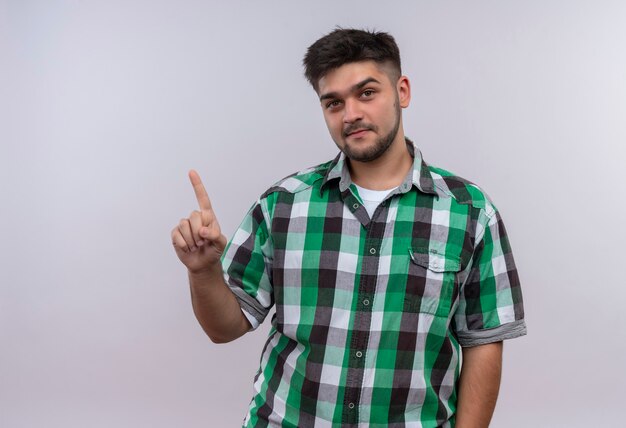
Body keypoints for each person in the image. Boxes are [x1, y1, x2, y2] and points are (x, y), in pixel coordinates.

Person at [171, 28, 526, 427]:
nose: (351, 113)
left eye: (367, 93)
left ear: (402, 91)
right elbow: (225, 328)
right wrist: (202, 272)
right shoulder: (283, 204)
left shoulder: (470, 212)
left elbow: (483, 343)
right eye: (334, 102)